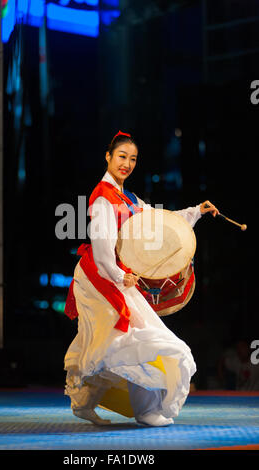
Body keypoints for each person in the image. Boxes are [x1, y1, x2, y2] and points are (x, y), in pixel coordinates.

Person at [63, 130, 219, 427]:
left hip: (113, 276)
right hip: (101, 278)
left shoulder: (128, 198)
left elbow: (161, 223)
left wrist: (196, 212)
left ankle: (85, 403)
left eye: (133, 159)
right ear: (108, 157)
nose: (127, 163)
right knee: (135, 338)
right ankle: (146, 410)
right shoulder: (103, 199)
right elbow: (102, 251)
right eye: (122, 157)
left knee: (109, 342)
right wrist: (122, 276)